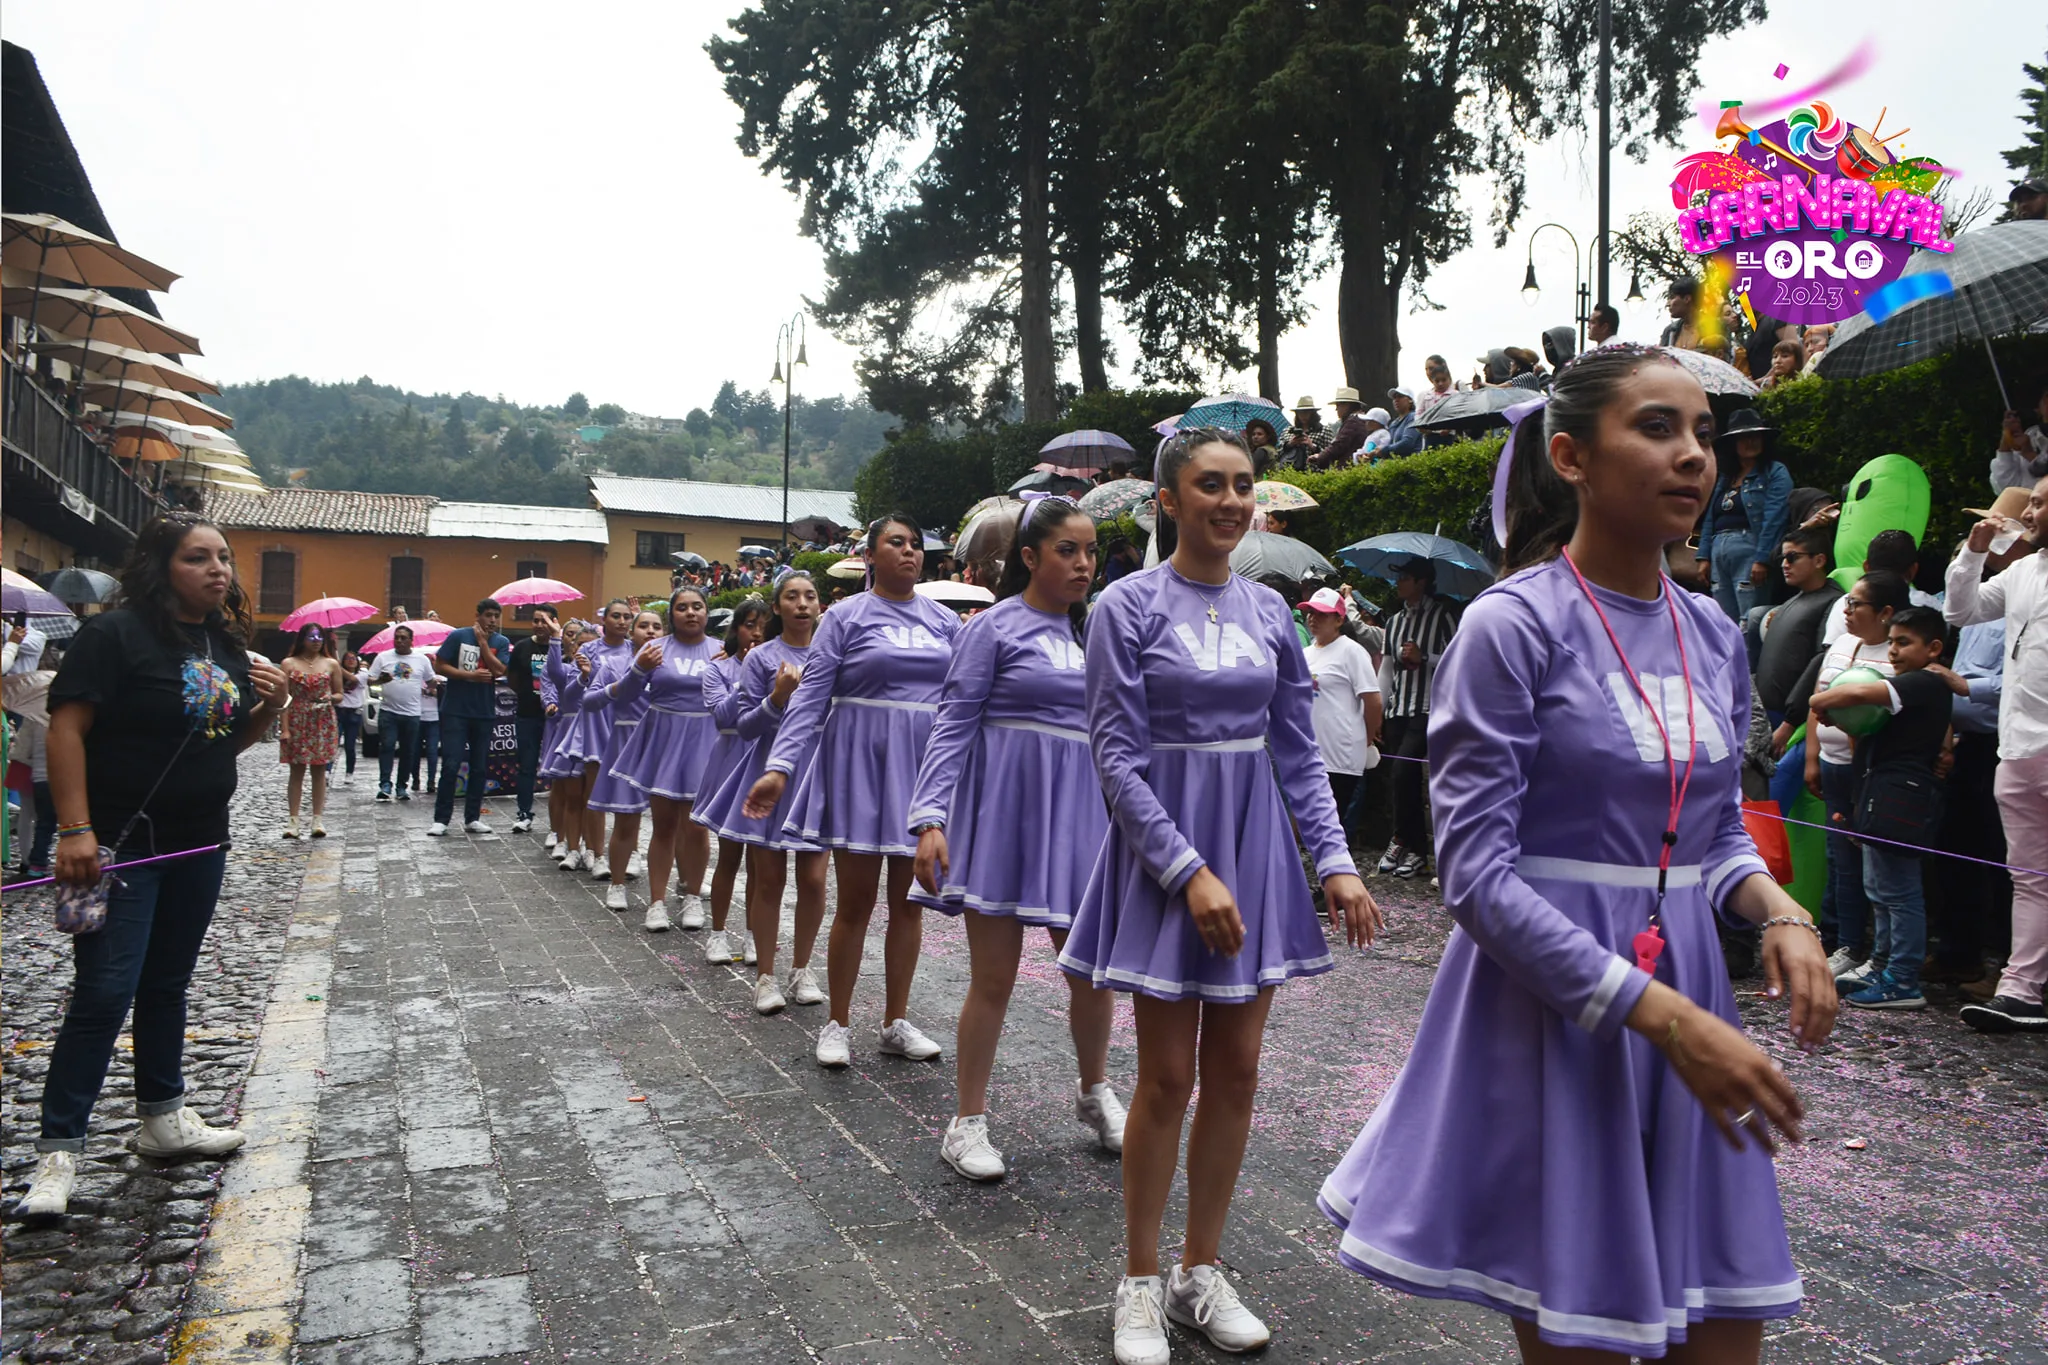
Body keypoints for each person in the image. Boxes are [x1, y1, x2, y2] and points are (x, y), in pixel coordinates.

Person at [1320, 343, 1837, 1362]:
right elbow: (1472, 874)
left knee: (1723, 1328)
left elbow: (1715, 831)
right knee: (1584, 1334)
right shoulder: (1511, 627)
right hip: (1554, 1011)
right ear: (1569, 457)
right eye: (1655, 428)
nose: (1692, 455)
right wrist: (1664, 1019)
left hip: (1687, 999)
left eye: (1699, 432)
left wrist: (1778, 912)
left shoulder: (1711, 632)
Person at [1054, 428, 1377, 1364]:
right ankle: (1142, 1280)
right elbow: (1115, 757)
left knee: (1236, 1070)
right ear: (1168, 499)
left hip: (1257, 850)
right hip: (1169, 858)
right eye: (1209, 485)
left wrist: (1335, 862)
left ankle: (1203, 1269)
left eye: (1243, 486)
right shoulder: (1124, 605)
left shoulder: (1272, 611)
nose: (1231, 501)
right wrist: (1187, 869)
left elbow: (1295, 749)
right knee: (1166, 1076)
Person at [17, 513, 292, 1218]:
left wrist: (274, 707)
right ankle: (59, 1150)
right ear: (159, 565)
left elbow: (218, 745)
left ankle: (163, 1117)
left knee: (168, 982)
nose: (218, 569)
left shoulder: (225, 644)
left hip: (201, 840)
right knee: (106, 991)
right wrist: (75, 829)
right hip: (121, 841)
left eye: (224, 557)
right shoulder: (114, 636)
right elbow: (69, 728)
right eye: (198, 557)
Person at [907, 496, 1125, 1182]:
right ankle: (967, 1120)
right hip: (1003, 812)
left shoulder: (1099, 633)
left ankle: (1096, 1093)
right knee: (994, 976)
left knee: (1090, 969)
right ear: (1029, 557)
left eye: (1091, 552)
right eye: (1068, 550)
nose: (1084, 564)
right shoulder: (992, 627)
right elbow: (952, 724)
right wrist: (929, 819)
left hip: (1082, 816)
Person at [745, 516, 960, 1065]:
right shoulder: (843, 617)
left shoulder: (944, 620)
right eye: (897, 543)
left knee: (909, 904)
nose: (910, 552)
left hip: (920, 770)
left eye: (916, 544)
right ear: (869, 556)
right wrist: (781, 767)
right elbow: (812, 698)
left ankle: (895, 1021)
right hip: (860, 764)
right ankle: (837, 1022)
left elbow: (964, 702)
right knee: (857, 902)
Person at [1806, 606, 1953, 1010]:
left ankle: (1902, 978)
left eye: (1904, 642)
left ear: (1934, 648)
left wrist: (1820, 698)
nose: (1893, 651)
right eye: (1891, 641)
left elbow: (1854, 693)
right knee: (1878, 887)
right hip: (1877, 791)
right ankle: (1882, 964)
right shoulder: (1910, 683)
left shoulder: (1924, 683)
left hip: (1901, 796)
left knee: (1899, 890)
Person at [1945, 475, 2048, 1033]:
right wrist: (1973, 552)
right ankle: (2020, 991)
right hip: (2018, 749)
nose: (2028, 511)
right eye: (2029, 501)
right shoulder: (2023, 571)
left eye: (2039, 502)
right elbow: (1961, 611)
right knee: (2030, 877)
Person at [699, 572, 829, 1006]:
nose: (802, 604)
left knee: (813, 880)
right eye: (791, 597)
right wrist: (776, 699)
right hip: (768, 768)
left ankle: (802, 969)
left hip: (816, 772)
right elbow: (743, 726)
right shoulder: (760, 658)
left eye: (810, 596)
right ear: (778, 607)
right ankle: (766, 977)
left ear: (820, 606)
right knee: (769, 879)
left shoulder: (833, 654)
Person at [1794, 570, 1910, 984]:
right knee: (1837, 857)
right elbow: (1817, 700)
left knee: (1870, 863)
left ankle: (1873, 951)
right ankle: (1842, 941)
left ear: (1886, 612)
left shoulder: (1899, 658)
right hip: (1830, 761)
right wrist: (1812, 755)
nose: (1847, 610)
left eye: (1856, 604)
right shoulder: (1842, 644)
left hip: (1869, 772)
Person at [605, 587, 720, 932]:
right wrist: (638, 670)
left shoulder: (720, 650)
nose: (690, 613)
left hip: (705, 740)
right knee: (664, 825)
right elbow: (624, 697)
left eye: (697, 606)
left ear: (706, 612)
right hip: (665, 739)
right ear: (672, 614)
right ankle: (656, 902)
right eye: (682, 607)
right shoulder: (654, 649)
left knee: (697, 827)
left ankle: (693, 897)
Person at [691, 597, 770, 962]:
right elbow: (723, 719)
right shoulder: (718, 670)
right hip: (728, 763)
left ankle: (755, 934)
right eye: (749, 624)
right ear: (735, 629)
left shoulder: (778, 665)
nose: (756, 633)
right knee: (729, 856)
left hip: (763, 763)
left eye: (762, 626)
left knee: (761, 860)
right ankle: (718, 933)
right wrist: (746, 679)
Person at [1375, 558, 1455, 880]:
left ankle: (1405, 841)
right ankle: (1411, 846)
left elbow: (1458, 659)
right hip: (1398, 708)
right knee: (1401, 779)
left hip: (1428, 707)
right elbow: (1387, 668)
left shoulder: (1444, 617)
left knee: (1403, 771)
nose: (1398, 583)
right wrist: (1379, 710)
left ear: (1422, 581)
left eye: (1405, 578)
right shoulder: (1394, 622)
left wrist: (1425, 658)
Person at [578, 608, 664, 895]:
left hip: (666, 741)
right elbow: (589, 701)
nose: (650, 631)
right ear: (632, 632)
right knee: (626, 816)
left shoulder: (674, 663)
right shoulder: (614, 662)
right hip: (627, 737)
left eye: (656, 626)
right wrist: (614, 689)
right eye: (643, 626)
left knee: (675, 820)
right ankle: (616, 883)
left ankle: (685, 883)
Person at [551, 600, 636, 874]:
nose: (622, 621)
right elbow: (570, 696)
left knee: (629, 793)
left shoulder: (637, 649)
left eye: (626, 617)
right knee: (592, 793)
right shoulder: (589, 649)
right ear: (605, 620)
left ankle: (631, 852)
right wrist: (585, 677)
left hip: (625, 725)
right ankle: (596, 855)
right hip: (595, 723)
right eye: (616, 616)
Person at [1300, 586, 1382, 839]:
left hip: (1340, 755)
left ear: (1339, 619)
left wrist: (1366, 738)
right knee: (1310, 825)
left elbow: (1373, 701)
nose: (1313, 618)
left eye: (1322, 614)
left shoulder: (1351, 651)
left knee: (1331, 828)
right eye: (1310, 612)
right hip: (1311, 752)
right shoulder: (1305, 653)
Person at [1697, 408, 1793, 623]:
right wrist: (1703, 555)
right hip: (1718, 550)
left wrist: (1762, 558)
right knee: (1722, 621)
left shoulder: (1775, 472)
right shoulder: (1725, 477)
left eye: (1755, 436)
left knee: (1748, 621)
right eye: (1743, 437)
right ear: (1733, 444)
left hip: (1750, 548)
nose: (1750, 441)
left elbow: (1774, 519)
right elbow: (1711, 517)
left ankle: (1749, 659)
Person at [428, 599, 510, 837]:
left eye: (496, 616)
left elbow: (500, 671)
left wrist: (484, 644)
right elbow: (440, 666)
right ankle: (441, 819)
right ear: (478, 615)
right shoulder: (458, 636)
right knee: (451, 764)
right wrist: (469, 676)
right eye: (488, 615)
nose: (493, 620)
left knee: (479, 767)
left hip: (483, 712)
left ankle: (472, 818)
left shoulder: (501, 642)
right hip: (455, 710)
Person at [1757, 527, 1844, 728]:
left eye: (1792, 557)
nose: (1784, 564)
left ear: (1819, 561)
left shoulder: (1833, 602)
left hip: (1790, 721)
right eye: (1783, 558)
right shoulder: (1795, 599)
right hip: (1764, 714)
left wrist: (1790, 722)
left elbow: (1820, 663)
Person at [278, 624, 344, 839]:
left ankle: (317, 819)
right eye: (312, 636)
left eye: (320, 637)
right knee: (296, 771)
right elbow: (284, 699)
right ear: (302, 639)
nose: (316, 641)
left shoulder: (331, 663)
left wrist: (331, 698)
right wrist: (285, 729)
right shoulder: (288, 664)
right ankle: (293, 820)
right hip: (297, 717)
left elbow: (339, 694)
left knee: (319, 772)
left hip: (322, 720)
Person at [506, 605, 557, 835]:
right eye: (535, 621)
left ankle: (559, 821)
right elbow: (513, 680)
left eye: (544, 621)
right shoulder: (522, 647)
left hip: (556, 719)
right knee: (526, 766)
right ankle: (524, 814)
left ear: (554, 622)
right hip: (527, 715)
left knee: (558, 770)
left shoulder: (562, 647)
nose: (539, 625)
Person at [370, 627, 426, 802]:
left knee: (408, 751)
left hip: (412, 713)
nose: (399, 641)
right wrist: (380, 680)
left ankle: (402, 786)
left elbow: (431, 680)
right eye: (397, 638)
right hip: (388, 711)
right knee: (387, 746)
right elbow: (370, 679)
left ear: (411, 640)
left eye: (403, 638)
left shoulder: (421, 659)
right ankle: (385, 785)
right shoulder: (383, 657)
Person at [1991, 381, 2048, 493]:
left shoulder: (2027, 446)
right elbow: (2005, 489)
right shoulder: (2030, 438)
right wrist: (2006, 442)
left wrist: (2030, 454)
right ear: (2038, 408)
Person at [1311, 387, 1376, 469]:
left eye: (1338, 405)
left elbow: (1339, 445)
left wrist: (1320, 457)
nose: (1336, 409)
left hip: (1350, 468)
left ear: (1347, 405)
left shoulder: (1353, 421)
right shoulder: (1362, 419)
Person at [333, 650, 366, 787]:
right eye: (348, 658)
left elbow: (353, 680)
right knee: (333, 743)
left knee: (350, 746)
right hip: (339, 711)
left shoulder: (363, 674)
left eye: (353, 658)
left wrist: (335, 665)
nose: (351, 660)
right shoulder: (336, 675)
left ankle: (349, 772)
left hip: (354, 713)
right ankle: (327, 770)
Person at [1658, 276, 1702, 350]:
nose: (1668, 304)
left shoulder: (1713, 328)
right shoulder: (1669, 331)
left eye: (1672, 298)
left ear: (1687, 299)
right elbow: (1661, 359)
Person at [1281, 397, 1324, 470]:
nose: (1303, 415)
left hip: (1315, 472)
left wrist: (1313, 446)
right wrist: (1290, 444)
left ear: (1312, 413)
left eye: (1306, 412)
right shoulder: (1287, 431)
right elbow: (1278, 453)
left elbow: (1330, 453)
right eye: (1300, 412)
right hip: (1291, 471)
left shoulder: (1323, 430)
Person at [1382, 389, 1423, 457]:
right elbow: (1389, 444)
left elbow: (1407, 443)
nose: (1396, 400)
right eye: (1394, 397)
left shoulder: (1414, 417)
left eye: (1400, 396)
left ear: (1410, 400)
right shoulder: (1393, 423)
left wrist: (1384, 451)